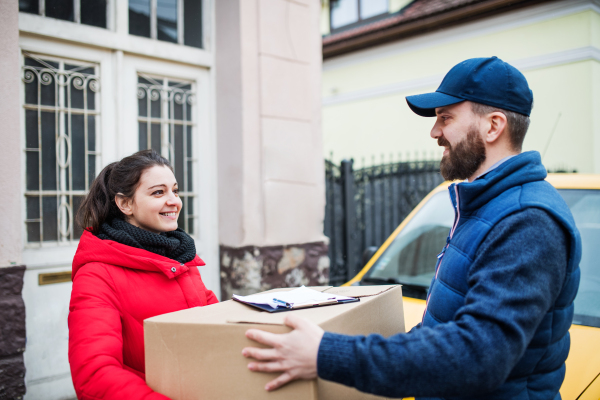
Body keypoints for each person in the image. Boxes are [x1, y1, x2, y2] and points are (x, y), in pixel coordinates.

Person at [242, 57, 582, 400]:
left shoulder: (527, 221)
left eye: (445, 118)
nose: (435, 132)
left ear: (494, 126)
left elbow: (477, 356)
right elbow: (446, 328)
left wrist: (325, 354)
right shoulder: (487, 207)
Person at [68, 149, 218, 400]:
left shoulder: (180, 257)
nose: (174, 201)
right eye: (158, 192)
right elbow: (94, 375)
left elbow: (216, 328)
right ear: (125, 203)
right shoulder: (97, 274)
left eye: (175, 190)